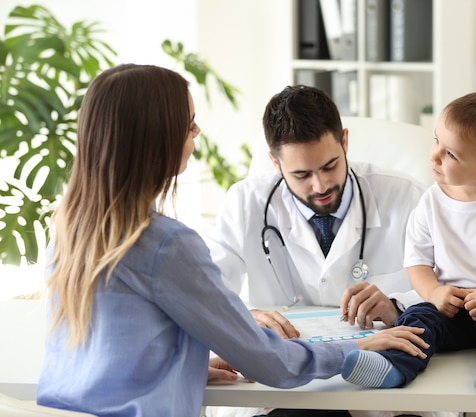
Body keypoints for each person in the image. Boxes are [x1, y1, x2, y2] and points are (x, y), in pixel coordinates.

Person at [35, 64, 429, 417]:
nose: (198, 132)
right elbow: (270, 362)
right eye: (189, 125)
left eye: (329, 166)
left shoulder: (69, 230)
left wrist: (184, 362)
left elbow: (111, 345)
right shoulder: (166, 244)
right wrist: (358, 348)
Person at [203, 85, 436, 417]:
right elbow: (205, 294)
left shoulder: (405, 197)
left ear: (345, 141)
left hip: (382, 386)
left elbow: (451, 291)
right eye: (301, 174)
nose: (320, 185)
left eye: (330, 166)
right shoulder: (245, 203)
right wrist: (243, 318)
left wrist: (398, 305)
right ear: (274, 162)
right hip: (284, 393)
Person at [340, 91, 476, 395]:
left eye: (451, 154)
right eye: (435, 140)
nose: (434, 155)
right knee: (416, 319)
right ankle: (394, 366)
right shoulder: (429, 202)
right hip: (448, 307)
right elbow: (417, 263)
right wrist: (435, 292)